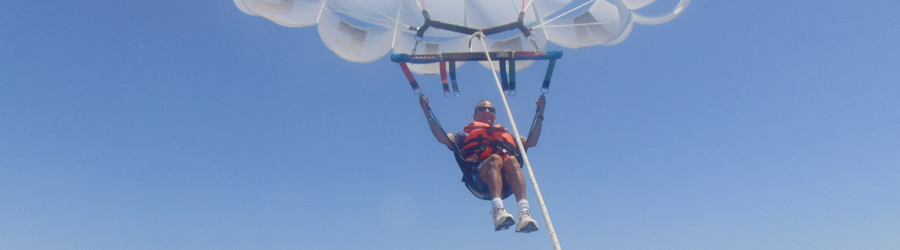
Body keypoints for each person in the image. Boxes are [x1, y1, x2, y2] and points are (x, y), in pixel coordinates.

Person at [419, 94, 546, 232]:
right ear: (475, 115)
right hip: (479, 181)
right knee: (495, 159)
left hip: (507, 183)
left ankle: (524, 213)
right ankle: (498, 210)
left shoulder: (508, 136)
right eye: (483, 108)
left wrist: (540, 114)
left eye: (491, 110)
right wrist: (427, 112)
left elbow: (531, 142)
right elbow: (442, 137)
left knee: (511, 159)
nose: (487, 111)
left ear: (495, 116)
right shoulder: (464, 136)